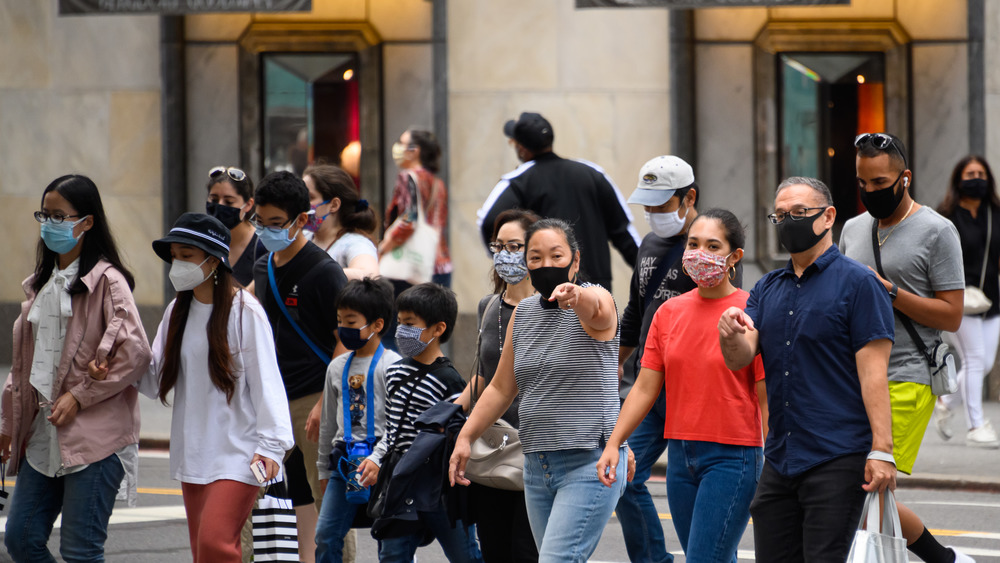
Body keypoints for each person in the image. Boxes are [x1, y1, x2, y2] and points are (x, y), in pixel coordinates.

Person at [718, 176, 897, 562]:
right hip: (781, 456)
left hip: (837, 455)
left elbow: (874, 374)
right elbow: (740, 357)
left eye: (799, 213)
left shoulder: (860, 283)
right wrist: (729, 331)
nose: (788, 222)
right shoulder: (766, 288)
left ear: (828, 216)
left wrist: (882, 450)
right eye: (780, 215)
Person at [108, 213, 292, 562]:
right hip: (193, 451)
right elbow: (152, 378)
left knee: (215, 545)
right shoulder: (178, 309)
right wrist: (117, 357)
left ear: (214, 260)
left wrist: (271, 447)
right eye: (174, 255)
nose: (177, 263)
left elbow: (267, 382)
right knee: (202, 552)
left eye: (187, 255)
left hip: (241, 453)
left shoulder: (244, 312)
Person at [450, 218, 631, 562]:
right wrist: (465, 435)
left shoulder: (597, 299)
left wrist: (576, 296)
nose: (546, 265)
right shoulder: (524, 313)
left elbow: (597, 309)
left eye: (556, 256)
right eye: (535, 258)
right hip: (535, 466)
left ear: (575, 261)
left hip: (588, 463)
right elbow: (501, 387)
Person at [599, 208, 766, 563]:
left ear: (734, 256)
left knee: (705, 559)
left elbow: (765, 395)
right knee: (708, 556)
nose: (699, 253)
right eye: (693, 243)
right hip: (681, 457)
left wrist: (776, 461)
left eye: (712, 245)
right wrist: (615, 442)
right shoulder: (668, 313)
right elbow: (644, 387)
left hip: (733, 456)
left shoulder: (752, 308)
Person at [1, 174, 152, 562]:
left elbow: (135, 354)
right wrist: (8, 424)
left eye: (59, 216)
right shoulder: (40, 283)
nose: (49, 225)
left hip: (95, 442)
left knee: (81, 552)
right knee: (20, 538)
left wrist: (81, 396)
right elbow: (23, 366)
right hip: (43, 437)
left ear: (87, 222)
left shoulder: (109, 282)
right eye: (45, 215)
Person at [840, 133, 974, 563]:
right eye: (863, 184)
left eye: (880, 183)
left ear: (905, 178)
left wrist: (890, 292)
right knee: (850, 492)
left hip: (908, 375)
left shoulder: (938, 231)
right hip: (854, 375)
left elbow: (952, 314)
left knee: (858, 492)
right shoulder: (852, 228)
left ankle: (943, 559)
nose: (870, 192)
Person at [251, 171, 350, 563]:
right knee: (295, 495)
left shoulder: (324, 271)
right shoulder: (264, 265)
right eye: (261, 222)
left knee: (326, 495)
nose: (268, 231)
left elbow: (346, 338)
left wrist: (326, 402)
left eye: (277, 224)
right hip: (273, 398)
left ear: (300, 220)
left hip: (312, 396)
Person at [356, 283, 482, 562]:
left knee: (465, 554)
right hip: (400, 479)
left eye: (410, 323)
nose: (402, 331)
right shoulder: (394, 372)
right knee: (393, 554)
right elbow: (393, 429)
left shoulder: (450, 381)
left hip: (440, 484)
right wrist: (377, 459)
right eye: (400, 323)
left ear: (438, 329)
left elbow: (458, 432)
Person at [454, 209, 541, 563]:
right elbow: (484, 376)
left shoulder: (556, 307)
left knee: (527, 550)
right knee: (493, 548)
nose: (505, 254)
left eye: (515, 246)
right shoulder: (489, 307)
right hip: (491, 447)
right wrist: (452, 412)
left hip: (537, 447)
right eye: (499, 246)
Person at [476, 112, 640, 291]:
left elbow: (487, 221)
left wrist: (506, 258)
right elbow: (624, 232)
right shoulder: (592, 173)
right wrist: (646, 273)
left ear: (522, 148)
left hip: (548, 288)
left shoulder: (519, 180)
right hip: (596, 289)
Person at [315, 278, 402, 563]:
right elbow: (328, 424)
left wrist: (379, 456)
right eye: (340, 320)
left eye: (351, 321)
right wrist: (323, 471)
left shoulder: (393, 365)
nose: (344, 328)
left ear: (377, 325)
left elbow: (399, 423)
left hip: (384, 464)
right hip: (345, 463)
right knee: (326, 535)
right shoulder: (337, 367)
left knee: (389, 541)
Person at [937, 155, 1000, 449]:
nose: (976, 177)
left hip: (991, 299)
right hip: (958, 299)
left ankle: (946, 400)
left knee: (984, 363)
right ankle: (976, 425)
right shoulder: (946, 216)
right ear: (958, 179)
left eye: (981, 173)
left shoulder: (995, 212)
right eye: (970, 173)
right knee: (974, 359)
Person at [381, 129, 452, 288]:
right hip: (439, 264)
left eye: (402, 143)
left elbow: (409, 220)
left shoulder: (407, 177)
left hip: (411, 268)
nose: (397, 147)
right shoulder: (437, 183)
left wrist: (385, 247)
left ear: (414, 151)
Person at [303, 164, 380, 280]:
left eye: (310, 198)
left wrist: (318, 273)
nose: (301, 204)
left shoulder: (353, 242)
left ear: (334, 205)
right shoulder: (303, 237)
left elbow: (370, 276)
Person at [205, 166, 266, 287]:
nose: (220, 205)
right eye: (214, 199)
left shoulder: (263, 245)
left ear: (248, 204)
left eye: (229, 202)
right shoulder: (203, 242)